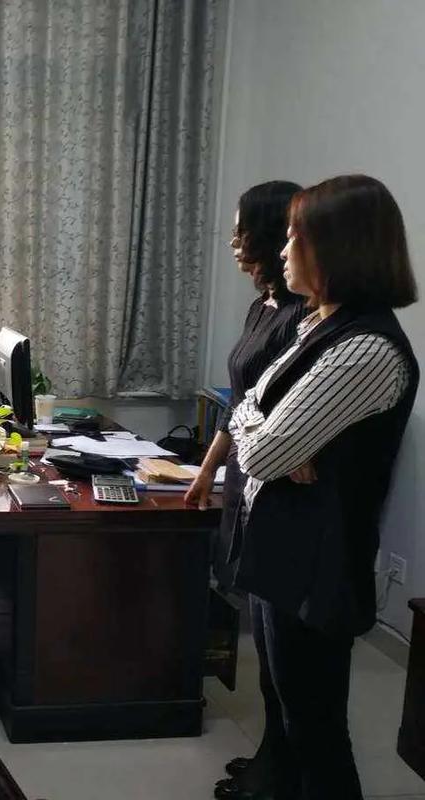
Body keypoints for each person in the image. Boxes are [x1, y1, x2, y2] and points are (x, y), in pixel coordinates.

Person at [226, 174, 418, 800]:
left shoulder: (365, 349)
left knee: (316, 732)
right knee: (288, 709)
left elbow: (262, 450)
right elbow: (248, 407)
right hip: (283, 547)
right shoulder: (316, 325)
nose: (282, 251)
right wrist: (268, 435)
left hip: (317, 562)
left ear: (338, 249)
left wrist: (269, 440)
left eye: (295, 238)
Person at [183, 181, 306, 800]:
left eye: (242, 229)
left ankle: (281, 768)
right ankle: (270, 759)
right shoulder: (262, 307)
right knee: (262, 633)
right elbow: (240, 403)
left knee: (287, 662)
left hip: (273, 485)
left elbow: (275, 415)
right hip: (243, 476)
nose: (233, 241)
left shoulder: (302, 317)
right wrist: (206, 470)